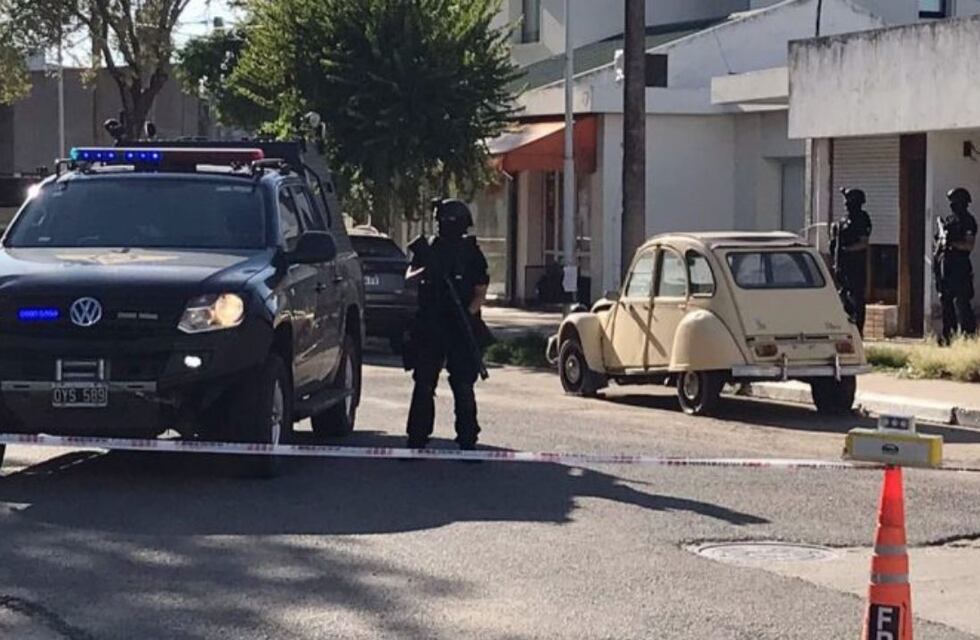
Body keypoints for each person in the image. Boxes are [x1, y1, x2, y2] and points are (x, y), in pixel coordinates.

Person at [404, 199, 491, 450]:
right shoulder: (429, 249)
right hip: (431, 323)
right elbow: (409, 277)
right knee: (424, 382)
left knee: (463, 383)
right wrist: (427, 270)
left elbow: (480, 292)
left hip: (460, 325)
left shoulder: (471, 253)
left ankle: (467, 438)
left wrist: (466, 316)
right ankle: (417, 437)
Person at [936, 188, 978, 343]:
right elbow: (939, 242)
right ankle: (949, 336)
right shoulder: (949, 220)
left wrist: (952, 244)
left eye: (955, 202)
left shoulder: (968, 221)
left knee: (962, 302)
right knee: (946, 301)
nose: (952, 205)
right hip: (946, 266)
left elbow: (969, 245)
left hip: (961, 267)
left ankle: (968, 337)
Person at [830, 188, 873, 334]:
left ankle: (858, 331)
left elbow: (864, 243)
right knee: (843, 298)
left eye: (848, 200)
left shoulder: (862, 219)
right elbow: (835, 244)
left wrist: (847, 250)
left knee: (856, 299)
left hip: (855, 266)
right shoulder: (842, 221)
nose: (845, 204)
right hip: (842, 267)